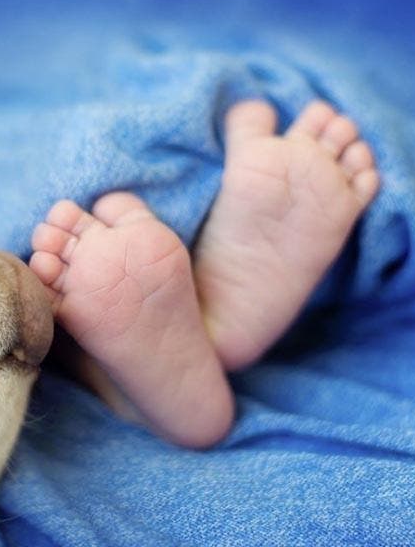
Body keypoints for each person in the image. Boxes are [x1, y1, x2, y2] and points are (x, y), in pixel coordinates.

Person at [29, 99, 380, 448]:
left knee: (21, 296)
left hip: (63, 274)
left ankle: (110, 373)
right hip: (159, 185)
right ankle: (197, 330)